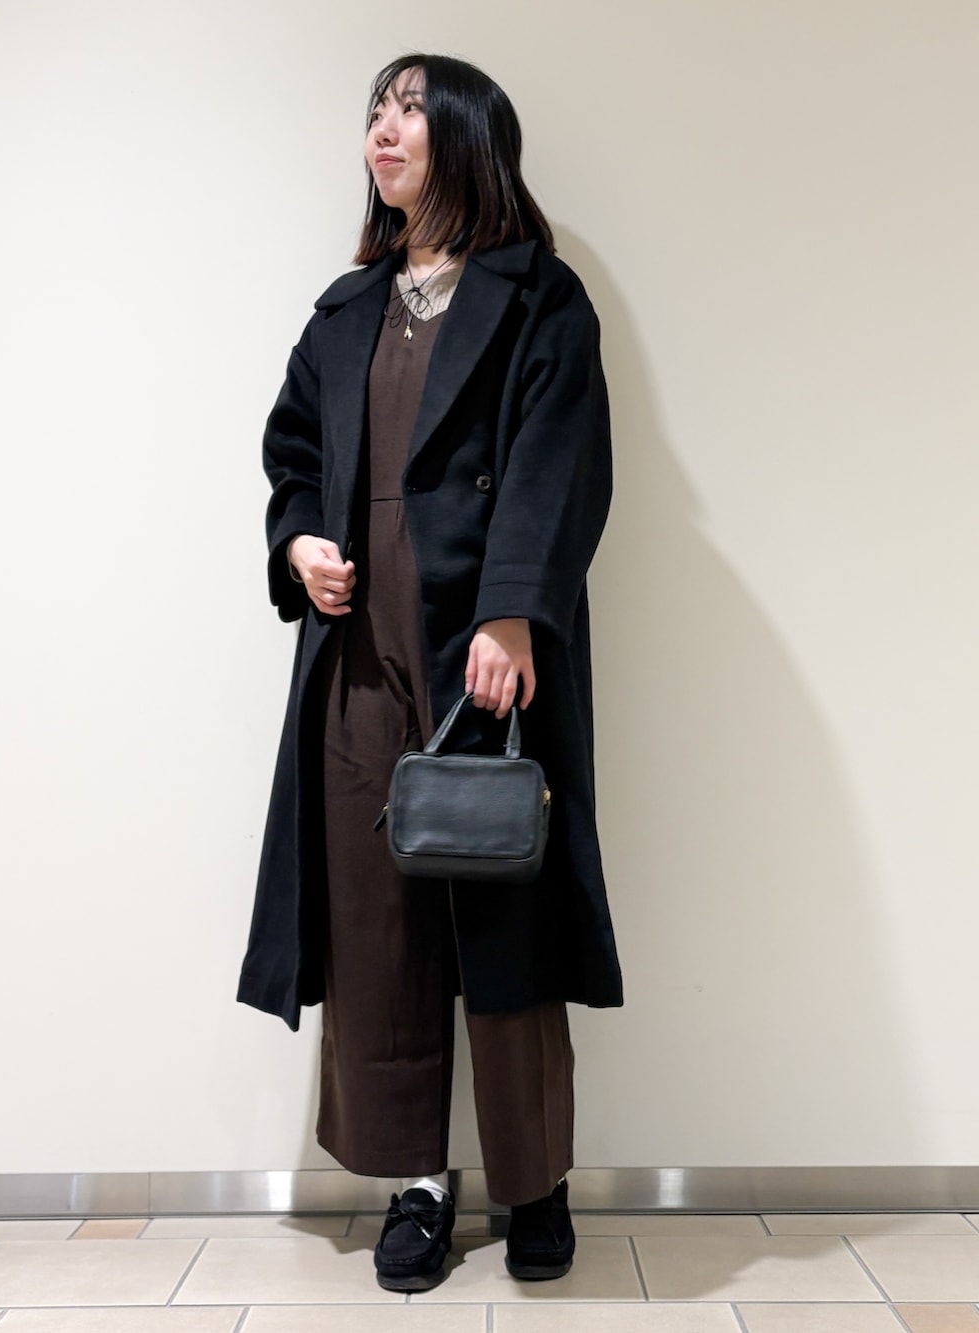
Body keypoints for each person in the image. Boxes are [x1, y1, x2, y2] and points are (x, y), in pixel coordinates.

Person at [237, 53, 623, 1292]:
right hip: (356, 653)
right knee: (377, 926)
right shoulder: (347, 307)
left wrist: (514, 611)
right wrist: (299, 543)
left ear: (464, 135)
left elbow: (560, 458)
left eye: (408, 108)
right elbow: (294, 453)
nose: (383, 128)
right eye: (375, 111)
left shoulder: (536, 296)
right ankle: (415, 1182)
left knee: (503, 911)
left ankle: (533, 1183)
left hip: (484, 650)